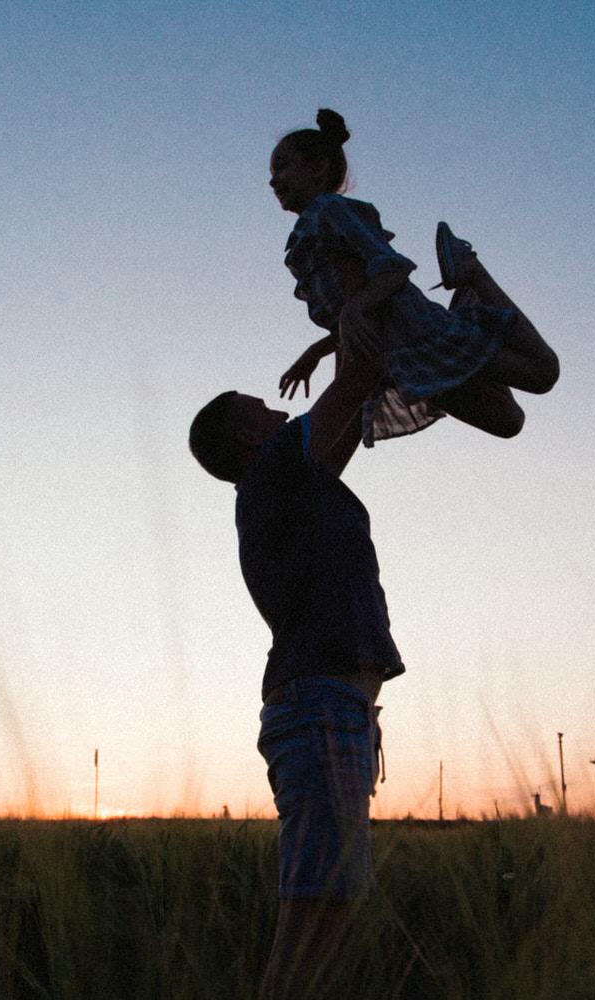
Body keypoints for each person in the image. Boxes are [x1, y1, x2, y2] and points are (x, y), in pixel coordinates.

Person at [190, 329, 397, 999]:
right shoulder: (277, 468)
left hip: (335, 711)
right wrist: (337, 336)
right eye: (265, 410)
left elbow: (361, 381)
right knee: (314, 918)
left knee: (328, 915)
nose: (282, 413)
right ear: (251, 438)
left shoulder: (293, 483)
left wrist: (330, 343)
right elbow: (361, 374)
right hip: (321, 712)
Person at [272, 108, 560, 445]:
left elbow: (392, 267)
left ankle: (471, 272)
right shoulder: (303, 241)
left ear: (318, 167)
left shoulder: (332, 211)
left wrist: (354, 310)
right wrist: (316, 352)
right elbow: (356, 320)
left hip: (422, 333)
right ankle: (470, 325)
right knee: (508, 421)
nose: (273, 180)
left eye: (282, 166)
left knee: (543, 373)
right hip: (401, 358)